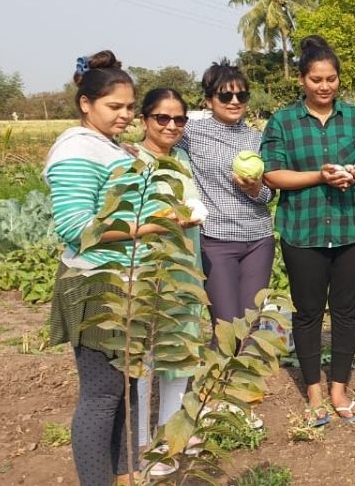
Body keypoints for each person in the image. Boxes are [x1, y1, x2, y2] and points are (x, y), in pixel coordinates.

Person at [262, 37, 355, 426]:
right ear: (302, 80)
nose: (324, 86)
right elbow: (272, 174)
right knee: (308, 313)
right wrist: (320, 176)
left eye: (331, 79)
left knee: (348, 313)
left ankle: (339, 389)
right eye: (316, 79)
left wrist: (352, 173)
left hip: (350, 230)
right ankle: (313, 390)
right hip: (303, 231)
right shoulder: (283, 122)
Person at [45, 51, 144, 485]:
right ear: (86, 103)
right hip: (96, 285)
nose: (124, 115)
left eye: (129, 108)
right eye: (114, 107)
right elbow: (75, 227)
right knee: (103, 396)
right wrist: (151, 225)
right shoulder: (76, 148)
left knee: (125, 393)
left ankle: (124, 475)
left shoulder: (104, 145)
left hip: (123, 283)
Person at [178, 61, 274, 429]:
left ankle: (240, 401)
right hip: (216, 240)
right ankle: (214, 398)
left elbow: (268, 194)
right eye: (225, 94)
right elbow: (159, 137)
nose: (235, 100)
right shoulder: (193, 133)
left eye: (241, 94)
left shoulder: (256, 138)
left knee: (250, 323)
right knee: (224, 322)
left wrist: (257, 189)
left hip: (258, 238)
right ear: (209, 98)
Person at [133, 88, 205, 477]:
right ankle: (141, 442)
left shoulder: (182, 159)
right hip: (145, 274)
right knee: (142, 357)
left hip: (184, 270)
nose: (171, 125)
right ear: (145, 119)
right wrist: (169, 218)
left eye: (179, 119)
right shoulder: (132, 160)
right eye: (162, 118)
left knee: (178, 354)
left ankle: (170, 433)